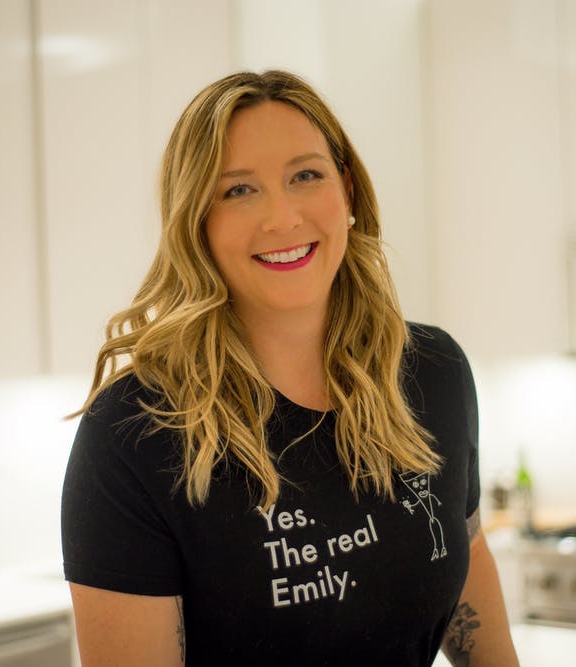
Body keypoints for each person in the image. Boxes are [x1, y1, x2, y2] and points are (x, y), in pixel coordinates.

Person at [61, 69, 520, 667]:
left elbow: (464, 552)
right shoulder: (136, 432)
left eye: (305, 175)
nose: (282, 218)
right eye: (238, 190)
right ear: (196, 221)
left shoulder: (434, 371)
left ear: (347, 192)